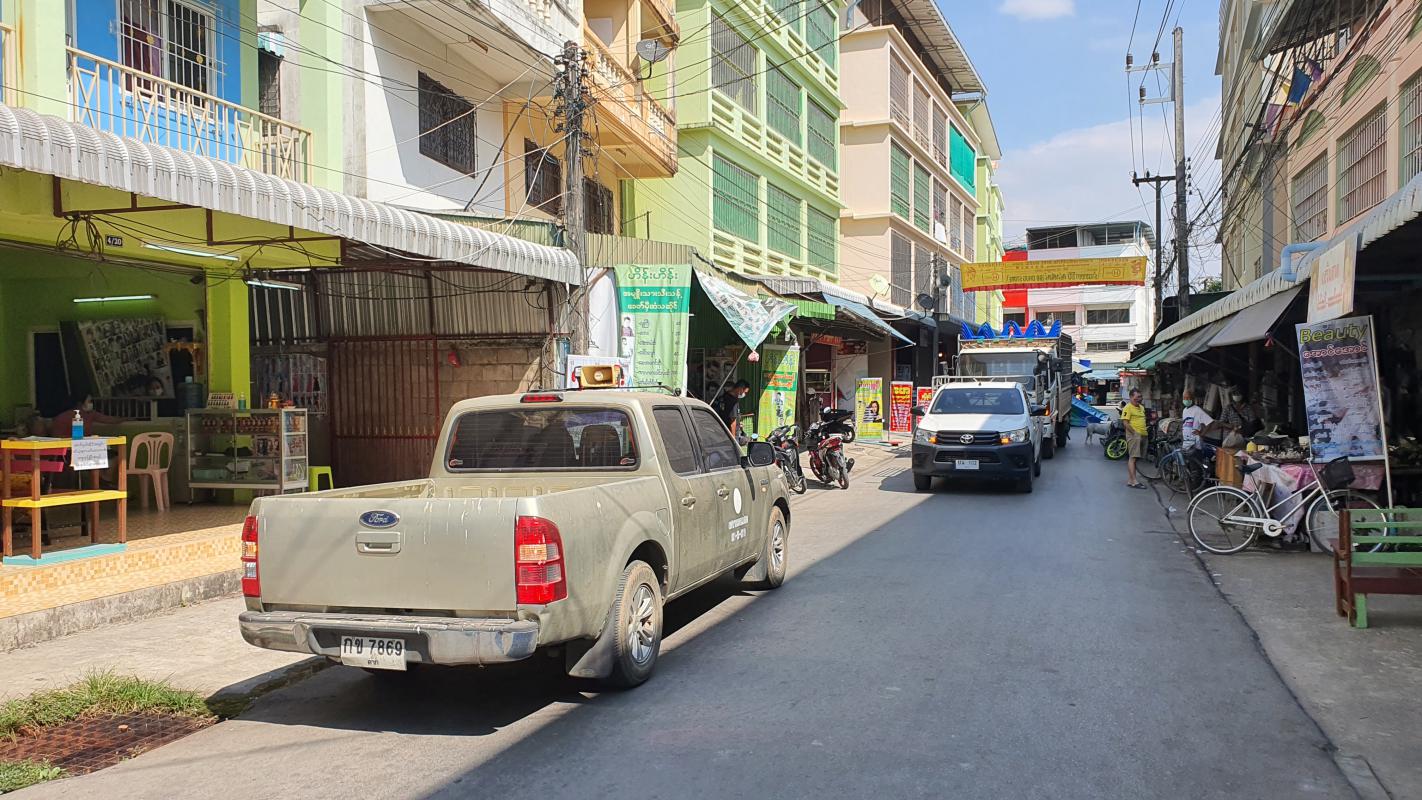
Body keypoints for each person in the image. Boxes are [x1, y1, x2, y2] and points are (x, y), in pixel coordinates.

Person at [49, 392, 123, 439]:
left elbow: (107, 419)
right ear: (81, 403)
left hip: (85, 446)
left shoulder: (91, 414)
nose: (92, 404)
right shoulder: (64, 417)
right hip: (68, 448)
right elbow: (57, 437)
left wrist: (124, 419)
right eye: (89, 401)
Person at [1121, 388, 1148, 489]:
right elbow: (1125, 423)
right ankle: (1134, 482)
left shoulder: (1141, 407)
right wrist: (1135, 433)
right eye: (1137, 397)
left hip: (1143, 435)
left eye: (1140, 397)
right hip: (1134, 436)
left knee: (1136, 459)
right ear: (1131, 397)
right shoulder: (1128, 407)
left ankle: (1131, 479)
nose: (1139, 399)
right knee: (1133, 458)